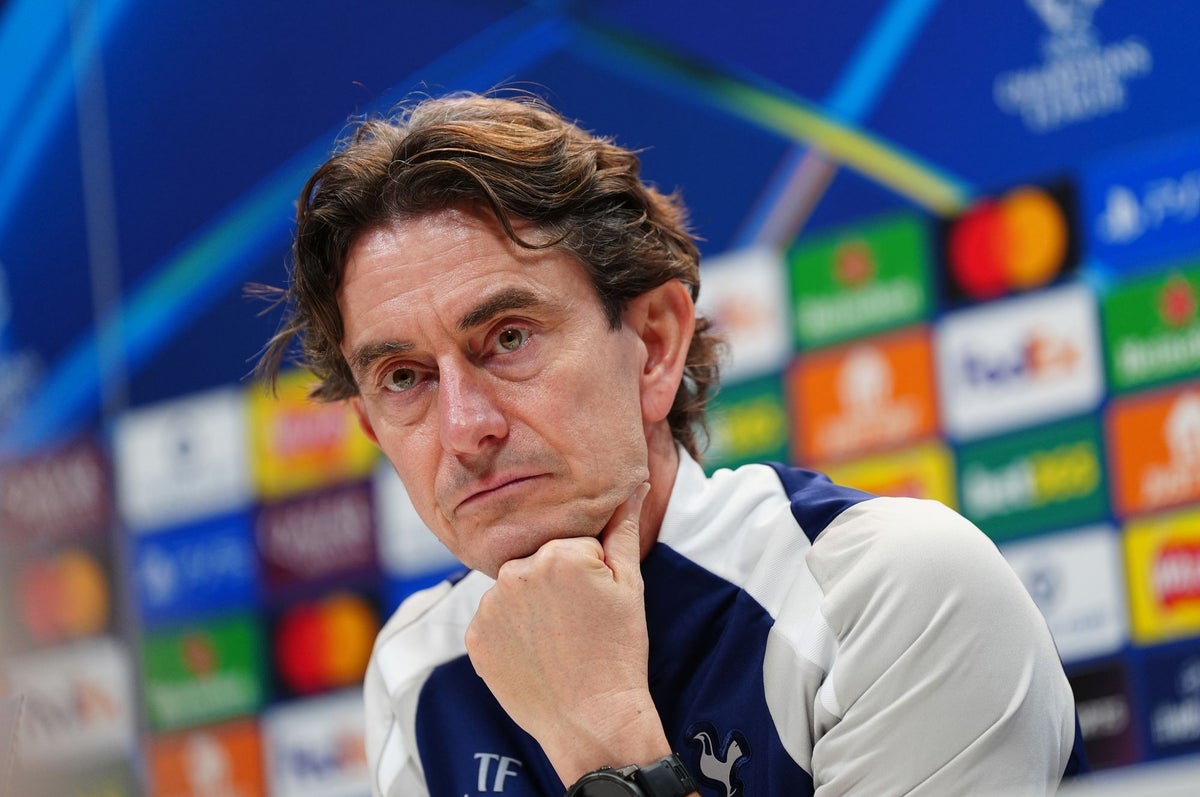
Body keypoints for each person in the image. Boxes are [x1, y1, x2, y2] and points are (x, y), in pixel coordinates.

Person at [258, 91, 1085, 796]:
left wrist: (605, 741)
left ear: (654, 344)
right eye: (404, 377)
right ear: (372, 428)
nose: (465, 427)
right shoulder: (419, 669)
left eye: (508, 338)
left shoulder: (887, 592)